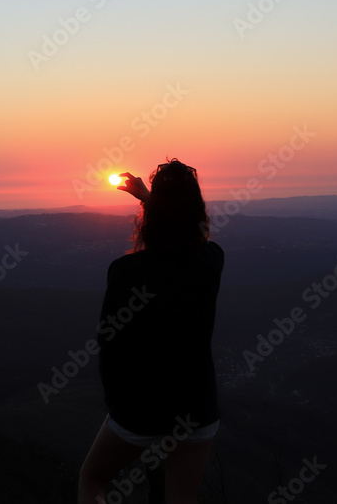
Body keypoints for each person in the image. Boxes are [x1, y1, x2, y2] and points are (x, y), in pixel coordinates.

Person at [78, 159, 224, 504]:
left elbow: (109, 343)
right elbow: (198, 232)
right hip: (197, 408)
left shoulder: (127, 270)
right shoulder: (212, 260)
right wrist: (149, 197)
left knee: (91, 480)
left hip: (140, 410)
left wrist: (118, 404)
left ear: (153, 217)